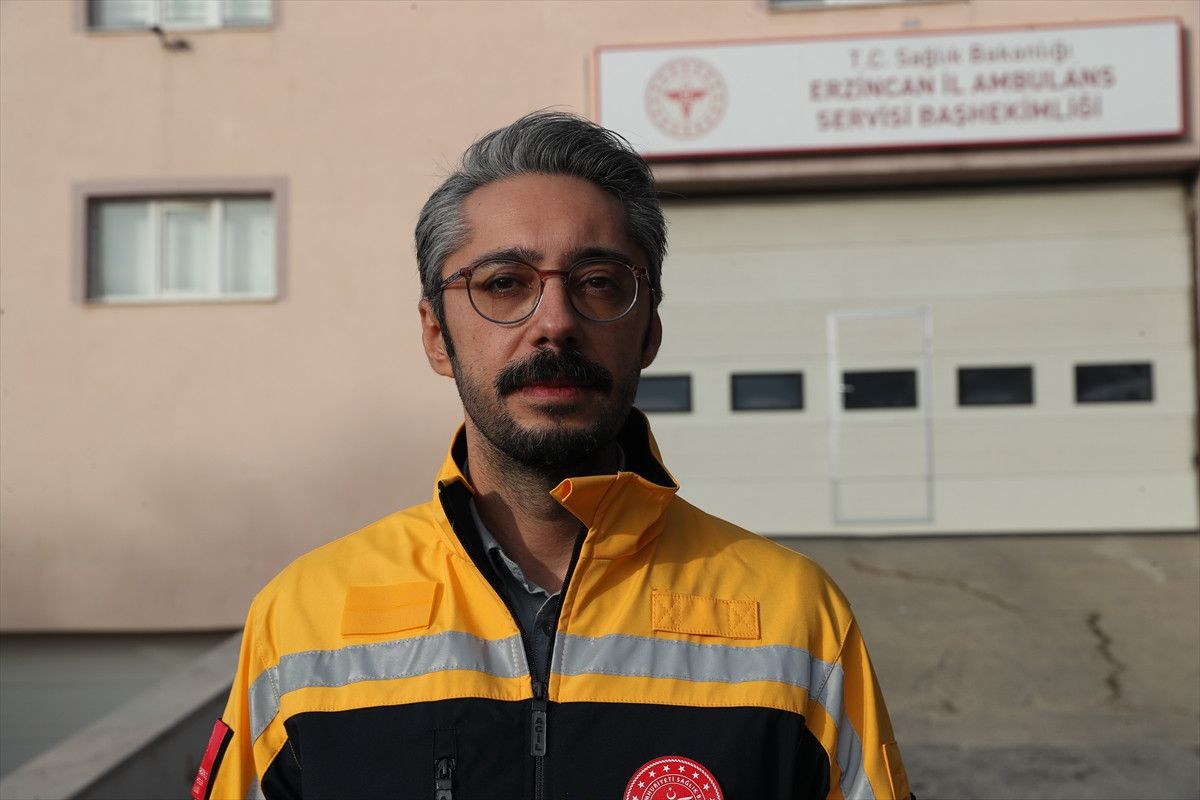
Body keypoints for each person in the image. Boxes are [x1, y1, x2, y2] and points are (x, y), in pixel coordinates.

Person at [194, 111, 912, 800]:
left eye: (598, 282)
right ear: (437, 336)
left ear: (649, 332)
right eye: (504, 284)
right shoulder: (302, 619)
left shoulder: (796, 619)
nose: (556, 323)